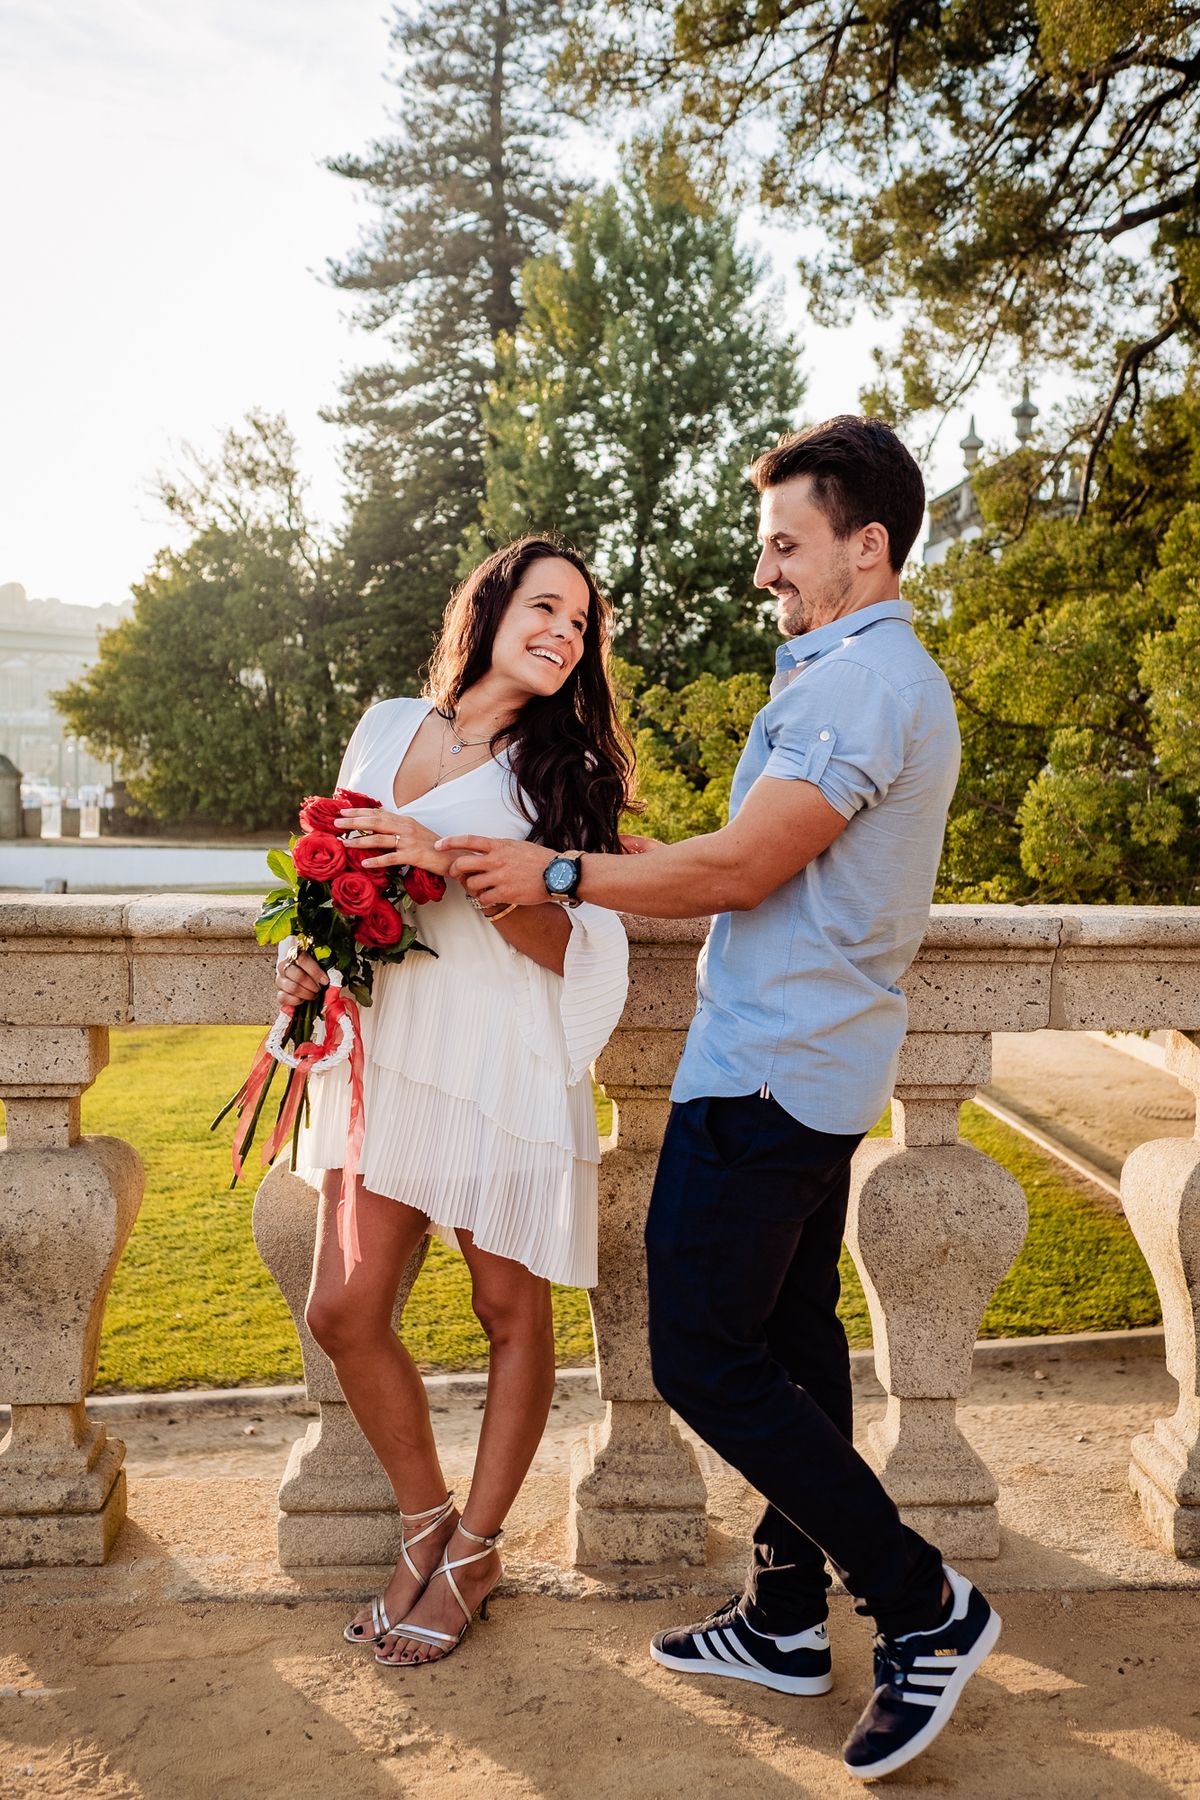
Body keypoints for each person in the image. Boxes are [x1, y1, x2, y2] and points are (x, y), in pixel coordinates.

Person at [437, 416, 1001, 1782]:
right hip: (811, 1064)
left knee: (697, 1351)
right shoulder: (855, 675)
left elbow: (746, 870)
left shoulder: (859, 687)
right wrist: (608, 849)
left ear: (867, 549)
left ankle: (923, 1605)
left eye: (787, 547)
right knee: (796, 1349)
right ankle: (789, 1615)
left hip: (770, 1072)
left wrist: (559, 876)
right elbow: (748, 854)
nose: (769, 573)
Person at [276, 536, 631, 1669]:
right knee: (343, 1306)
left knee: (507, 1312)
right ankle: (427, 1520)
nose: (564, 634)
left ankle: (474, 1551)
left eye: (579, 624)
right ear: (490, 607)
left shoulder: (564, 770)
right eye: (545, 606)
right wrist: (305, 958)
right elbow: (333, 866)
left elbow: (564, 939)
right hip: (385, 1046)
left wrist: (442, 858)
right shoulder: (386, 725)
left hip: (496, 1056)